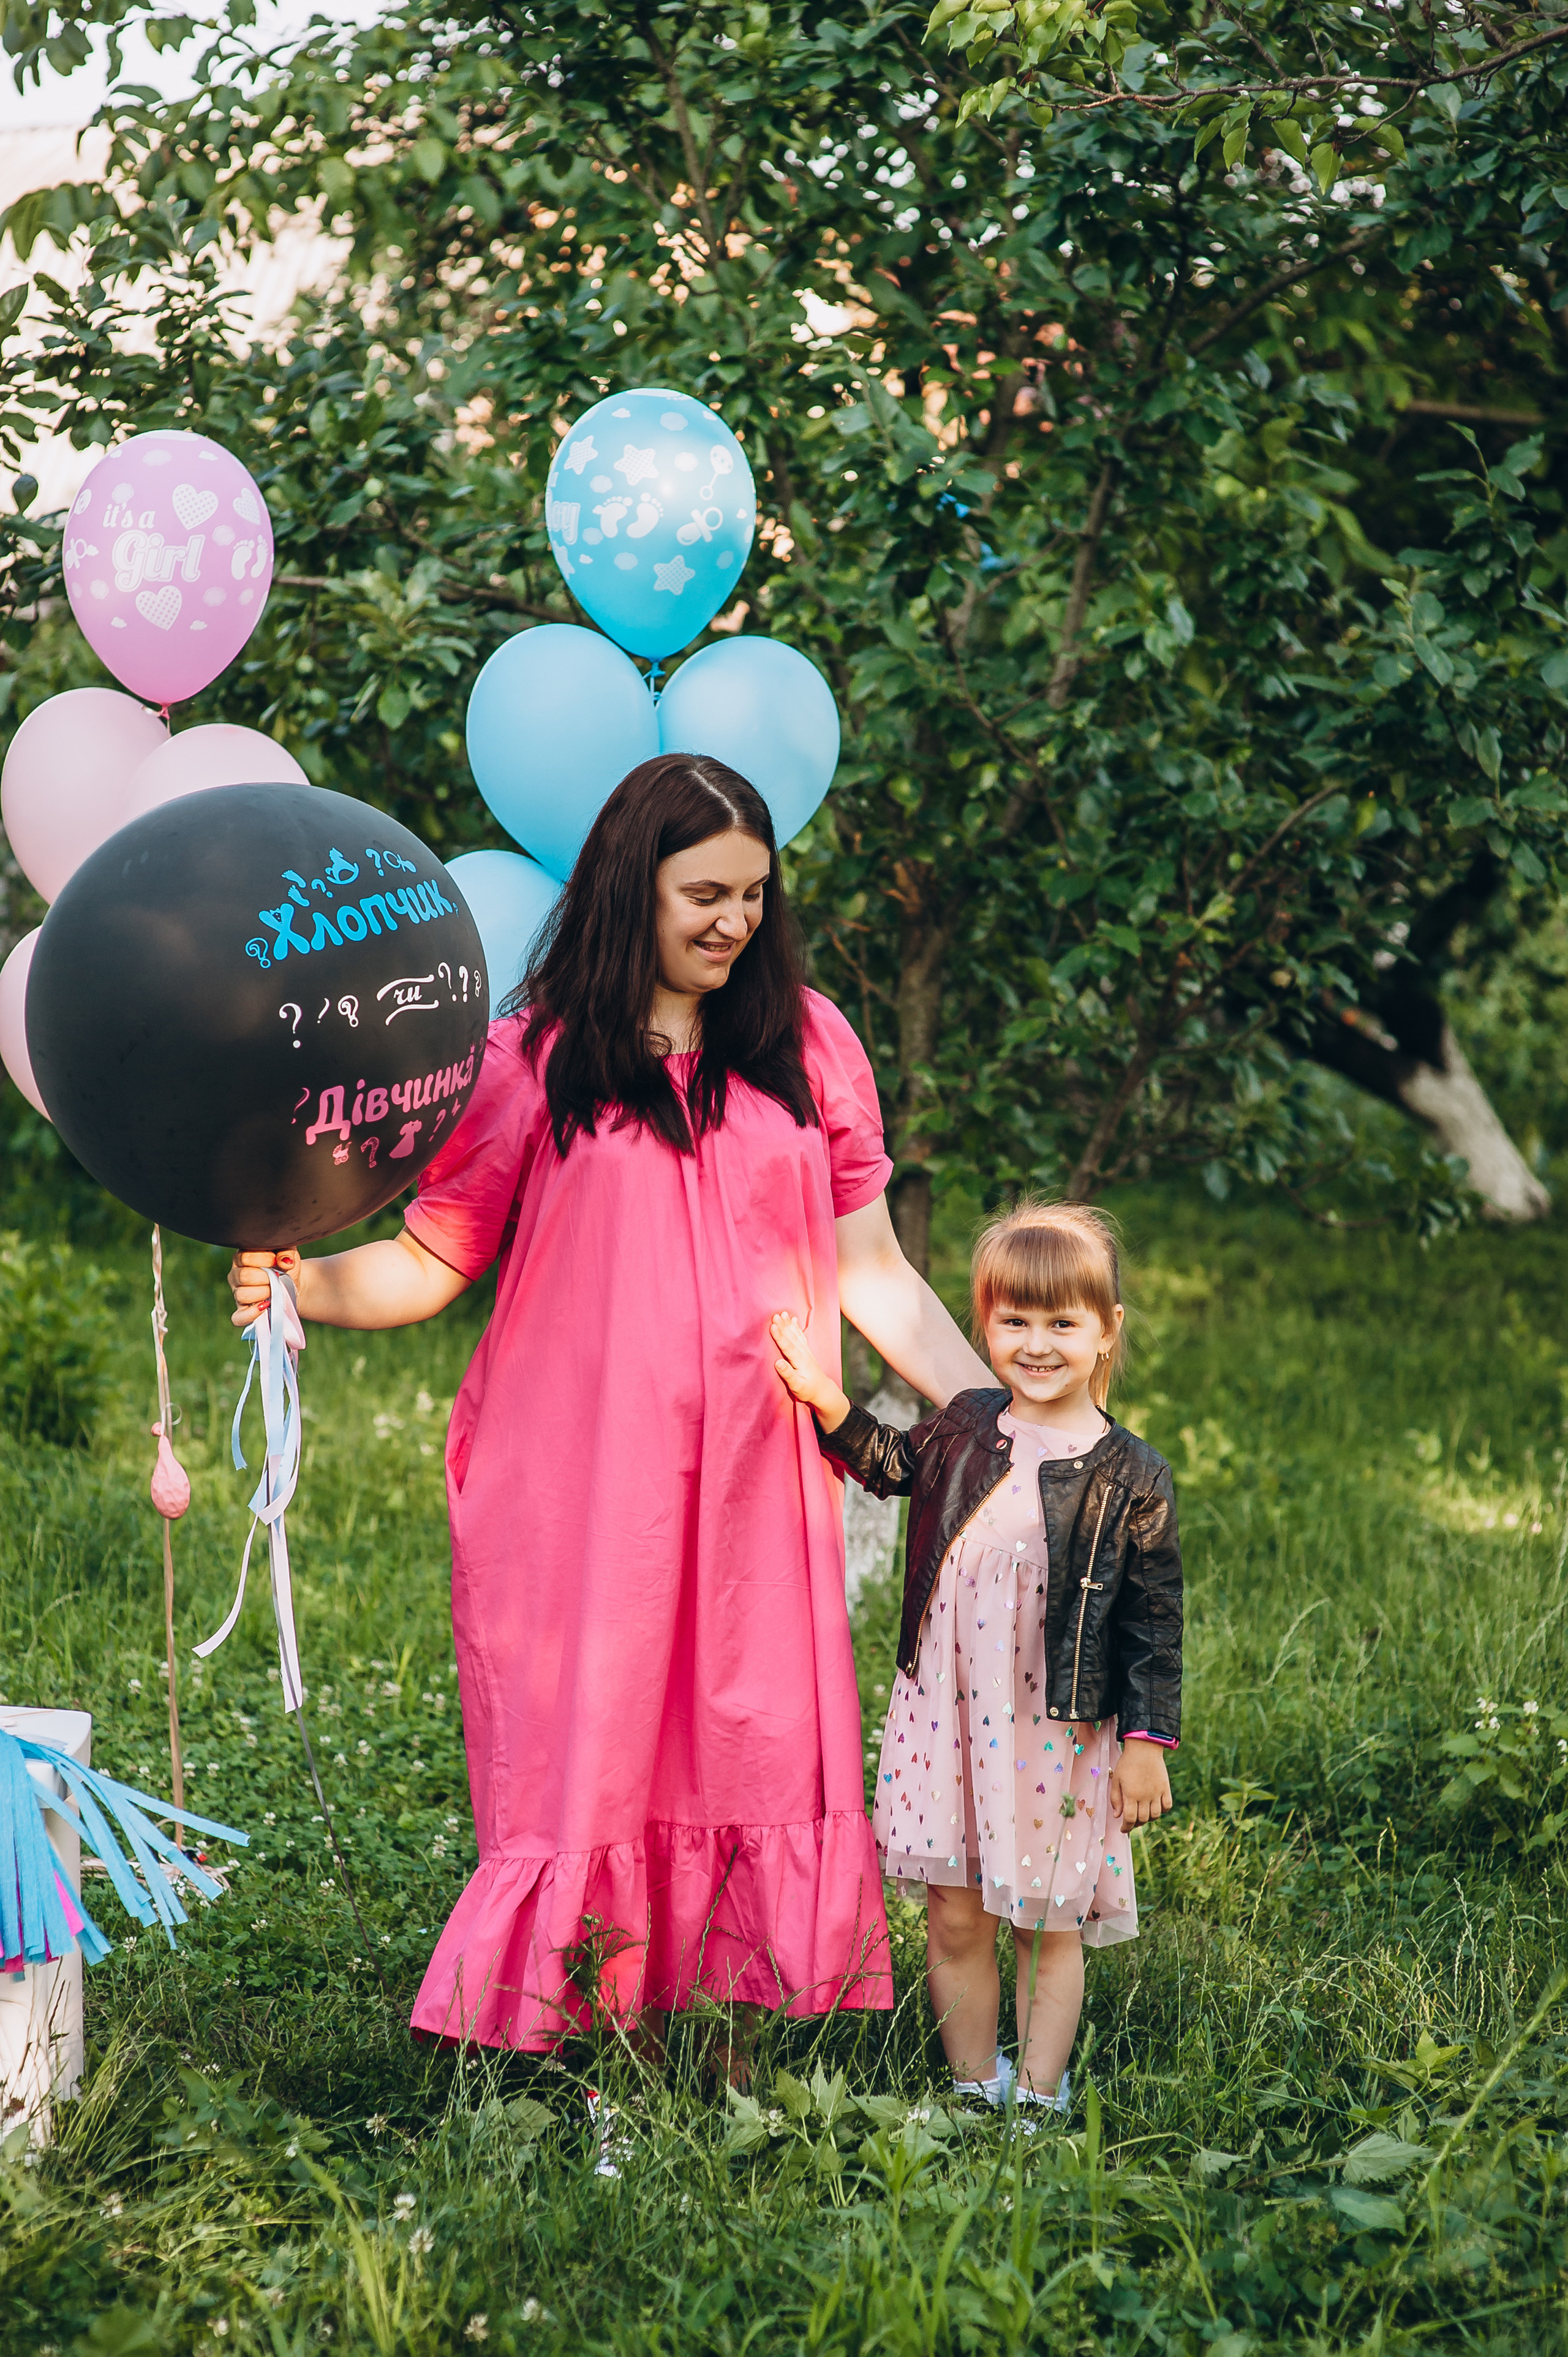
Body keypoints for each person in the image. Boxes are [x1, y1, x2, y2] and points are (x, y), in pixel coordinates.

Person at [230, 752, 992, 2058]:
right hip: (582, 1479)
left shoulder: (808, 1043)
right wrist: (296, 1280)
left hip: (760, 1471)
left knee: (750, 1738)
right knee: (597, 1746)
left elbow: (871, 1268)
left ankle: (733, 2048)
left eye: (753, 895)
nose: (732, 923)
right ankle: (598, 2057)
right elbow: (433, 1258)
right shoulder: (530, 1059)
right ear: (628, 887)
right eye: (703, 892)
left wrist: (994, 1410)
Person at [769, 1198, 1182, 2116]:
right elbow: (892, 1464)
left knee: (1044, 1919)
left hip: (1056, 1729)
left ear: (1108, 1331)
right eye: (1013, 1321)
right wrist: (831, 1405)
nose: (1037, 1344)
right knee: (954, 1911)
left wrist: (1147, 1741)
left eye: (1062, 1323)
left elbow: (1153, 1621)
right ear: (985, 1323)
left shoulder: (1129, 1475)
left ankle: (1037, 2096)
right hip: (950, 1715)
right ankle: (971, 2086)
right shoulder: (964, 1425)